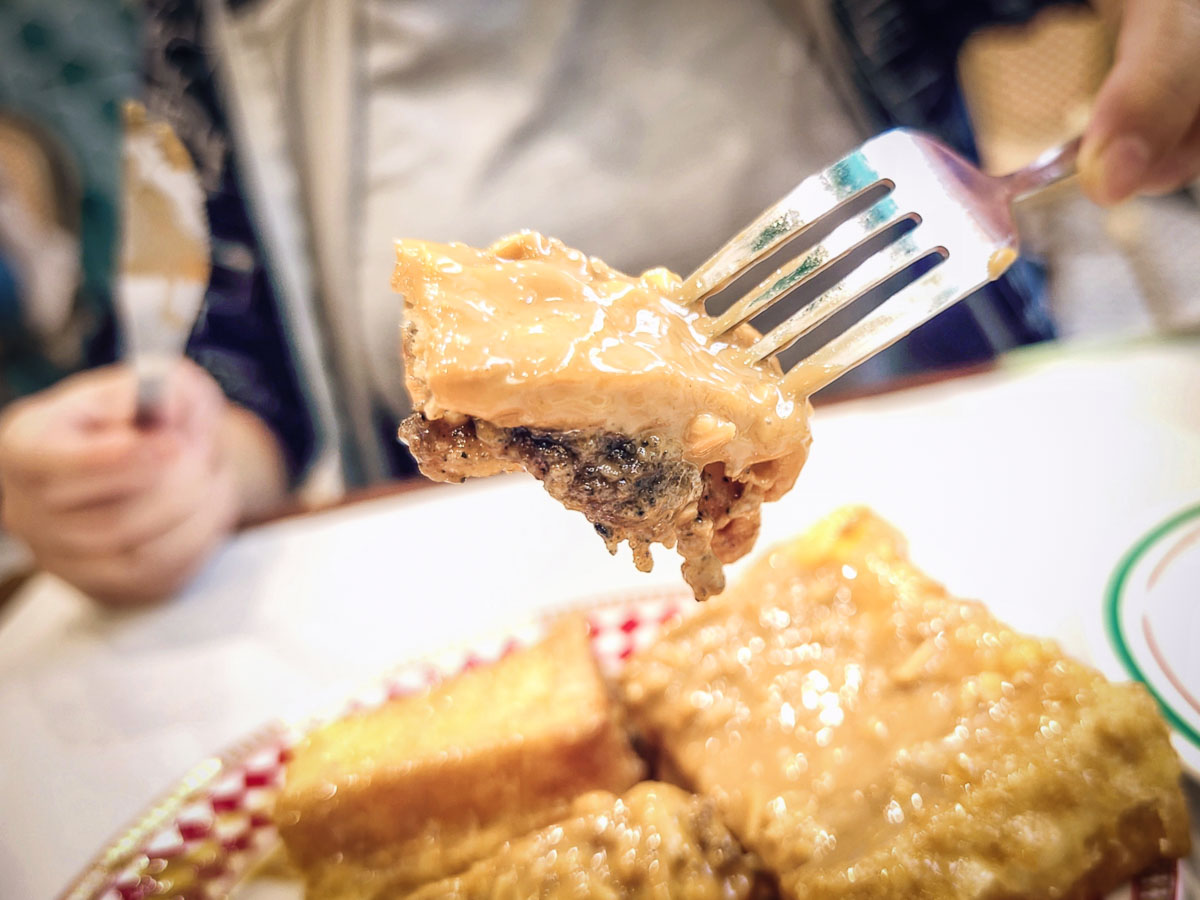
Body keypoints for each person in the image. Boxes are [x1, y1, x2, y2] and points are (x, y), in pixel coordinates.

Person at [1, 0, 1198, 607]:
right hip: (433, 564)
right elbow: (238, 356)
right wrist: (183, 462)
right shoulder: (214, 21)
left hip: (976, 470)